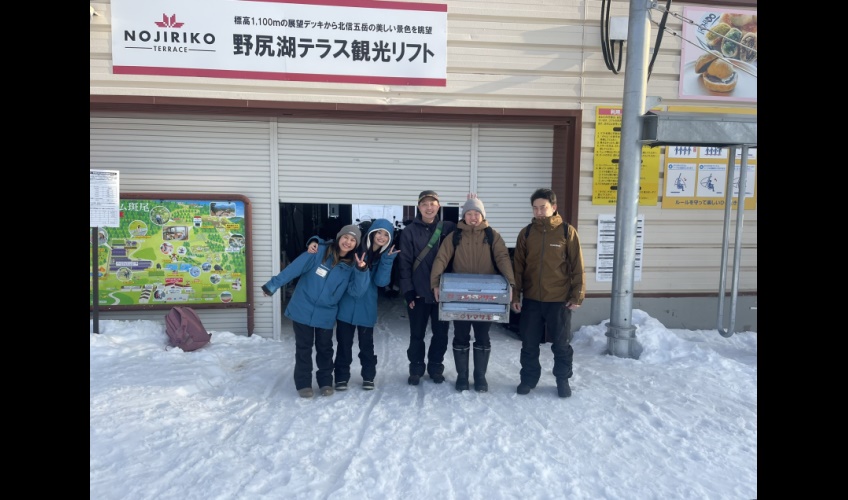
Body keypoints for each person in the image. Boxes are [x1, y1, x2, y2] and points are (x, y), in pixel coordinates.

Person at [261, 225, 368, 399]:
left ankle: (325, 381)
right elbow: (293, 269)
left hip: (326, 313)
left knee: (325, 348)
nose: (348, 242)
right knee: (303, 348)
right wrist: (273, 285)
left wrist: (362, 271)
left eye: (353, 240)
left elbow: (357, 292)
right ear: (339, 237)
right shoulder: (318, 252)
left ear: (356, 244)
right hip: (302, 308)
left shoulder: (351, 267)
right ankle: (303, 383)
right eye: (346, 237)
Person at [430, 195, 515, 392]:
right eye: (469, 213)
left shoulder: (492, 235)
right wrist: (436, 283)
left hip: (487, 296)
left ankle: (480, 377)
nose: (473, 217)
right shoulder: (455, 236)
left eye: (477, 213)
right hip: (460, 296)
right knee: (460, 335)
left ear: (482, 215)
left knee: (482, 336)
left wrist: (511, 285)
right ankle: (462, 376)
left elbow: (503, 258)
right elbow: (441, 259)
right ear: (464, 216)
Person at [306, 219, 400, 391]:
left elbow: (381, 282)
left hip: (366, 308)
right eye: (379, 232)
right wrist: (314, 241)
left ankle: (368, 376)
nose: (381, 237)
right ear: (372, 232)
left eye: (386, 234)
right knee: (344, 344)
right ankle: (341, 377)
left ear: (390, 238)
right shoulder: (356, 249)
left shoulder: (384, 257)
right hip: (346, 305)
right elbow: (335, 244)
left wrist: (388, 261)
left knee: (366, 345)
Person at [511, 188, 585, 398]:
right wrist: (516, 296)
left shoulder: (566, 232)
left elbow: (577, 266)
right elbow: (518, 267)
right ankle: (528, 379)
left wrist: (577, 295)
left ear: (553, 207)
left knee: (561, 345)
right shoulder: (526, 233)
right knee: (529, 344)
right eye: (535, 208)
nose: (539, 212)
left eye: (543, 207)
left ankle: (563, 380)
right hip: (533, 299)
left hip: (559, 300)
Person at [398, 190, 457, 385]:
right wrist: (408, 291)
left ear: (438, 206)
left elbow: (473, 226)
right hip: (419, 293)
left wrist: (473, 206)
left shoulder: (449, 228)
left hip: (443, 293)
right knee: (417, 334)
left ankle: (435, 367)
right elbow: (404, 262)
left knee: (440, 334)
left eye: (432, 203)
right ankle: (415, 368)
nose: (429, 207)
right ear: (418, 207)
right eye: (424, 204)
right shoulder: (409, 232)